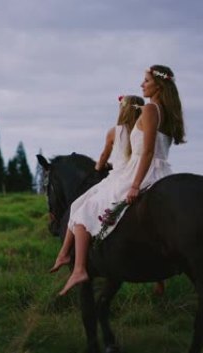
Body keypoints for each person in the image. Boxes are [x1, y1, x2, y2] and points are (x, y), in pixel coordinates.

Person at [53, 65, 186, 296]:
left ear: (159, 85)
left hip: (141, 171)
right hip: (162, 170)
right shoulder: (167, 112)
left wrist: (135, 184)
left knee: (85, 208)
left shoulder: (150, 110)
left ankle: (79, 268)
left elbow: (146, 152)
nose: (142, 84)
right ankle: (71, 259)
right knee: (85, 204)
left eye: (146, 80)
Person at [49, 94, 144, 273]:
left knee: (81, 207)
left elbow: (102, 158)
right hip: (141, 176)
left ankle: (69, 254)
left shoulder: (114, 132)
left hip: (119, 178)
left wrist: (101, 166)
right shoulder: (143, 132)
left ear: (122, 110)